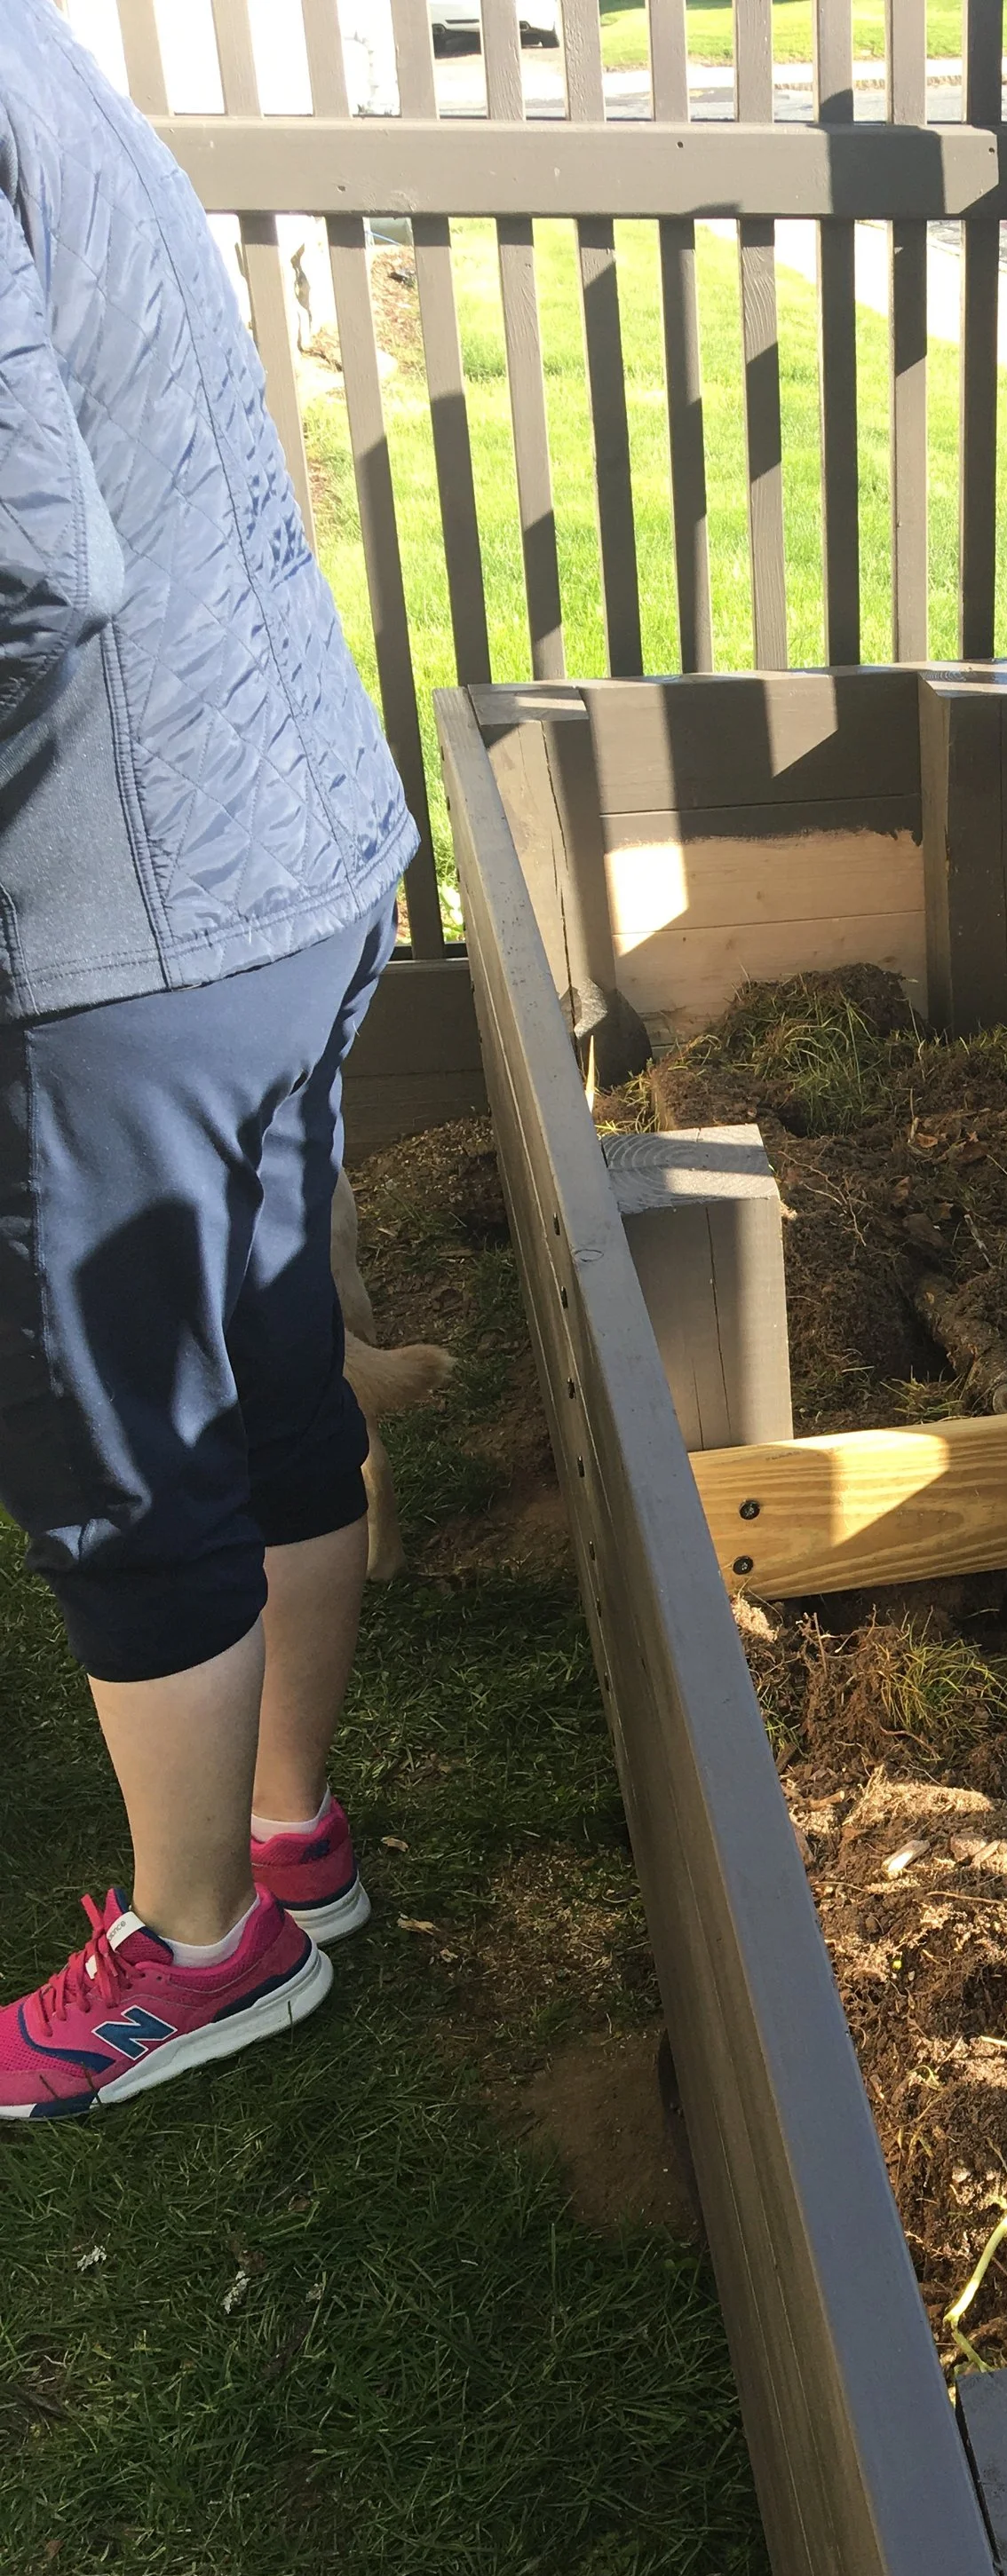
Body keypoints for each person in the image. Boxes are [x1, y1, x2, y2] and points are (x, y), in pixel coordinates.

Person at [0, 0, 416, 2121]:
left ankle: (198, 1952)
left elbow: (17, 564)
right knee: (260, 1383)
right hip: (275, 847)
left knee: (120, 1463)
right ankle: (288, 1838)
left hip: (108, 926)